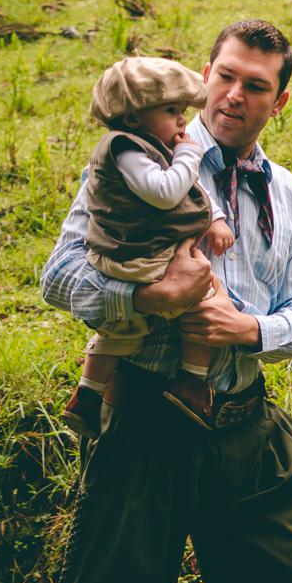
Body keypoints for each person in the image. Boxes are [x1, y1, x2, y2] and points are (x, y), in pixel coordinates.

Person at [16, 20, 292, 583]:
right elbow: (58, 274)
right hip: (144, 430)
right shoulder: (133, 162)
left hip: (249, 434)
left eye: (256, 86)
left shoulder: (290, 195)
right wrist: (147, 301)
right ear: (202, 78)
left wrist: (247, 329)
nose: (233, 95)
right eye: (224, 76)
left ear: (278, 102)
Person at [64, 56, 235, 438]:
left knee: (123, 327)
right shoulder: (125, 150)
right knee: (207, 299)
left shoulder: (150, 147)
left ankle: (87, 395)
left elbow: (193, 192)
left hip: (142, 253)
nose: (181, 120)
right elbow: (166, 192)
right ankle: (192, 382)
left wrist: (216, 217)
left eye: (182, 110)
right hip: (136, 256)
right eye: (171, 110)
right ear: (131, 117)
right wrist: (192, 154)